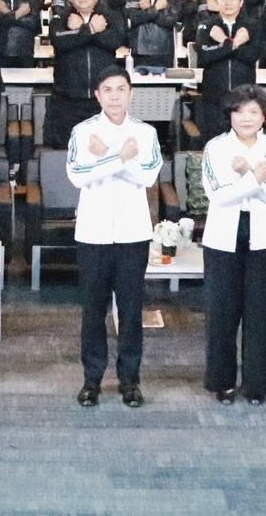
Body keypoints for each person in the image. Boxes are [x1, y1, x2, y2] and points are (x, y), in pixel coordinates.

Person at [67, 67, 162, 407]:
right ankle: (91, 379)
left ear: (130, 93)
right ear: (97, 95)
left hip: (133, 232)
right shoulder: (83, 132)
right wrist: (120, 156)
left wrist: (105, 157)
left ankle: (130, 380)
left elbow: (148, 177)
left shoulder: (146, 133)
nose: (115, 96)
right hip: (93, 232)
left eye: (121, 89)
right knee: (92, 310)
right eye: (108, 90)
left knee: (131, 310)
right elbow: (78, 176)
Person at [200, 84, 266, 405]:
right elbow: (218, 196)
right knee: (221, 312)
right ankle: (221, 381)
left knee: (262, 313)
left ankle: (258, 384)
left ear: (264, 116)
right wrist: (255, 179)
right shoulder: (216, 148)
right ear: (230, 115)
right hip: (222, 238)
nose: (246, 118)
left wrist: (247, 178)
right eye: (238, 111)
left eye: (253, 111)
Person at [46, 0, 123, 146]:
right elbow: (59, 40)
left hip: (101, 99)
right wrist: (91, 29)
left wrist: (81, 32)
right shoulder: (60, 18)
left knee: (103, 151)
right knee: (66, 151)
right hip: (67, 99)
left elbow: (115, 40)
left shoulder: (110, 17)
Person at [193, 0, 257, 143]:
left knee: (242, 142)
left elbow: (252, 55)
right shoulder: (206, 25)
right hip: (213, 97)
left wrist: (223, 43)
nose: (228, 3)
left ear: (241, 2)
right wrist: (233, 44)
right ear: (217, 2)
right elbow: (204, 56)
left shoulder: (252, 25)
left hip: (244, 97)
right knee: (214, 142)